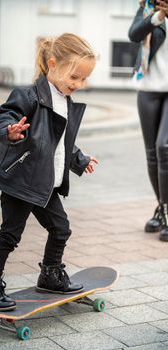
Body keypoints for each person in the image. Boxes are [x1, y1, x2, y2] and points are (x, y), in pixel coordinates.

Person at [0, 33, 98, 311]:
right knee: (10, 235)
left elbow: (61, 140)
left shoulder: (64, 100)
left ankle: (50, 275)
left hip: (45, 184)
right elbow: (4, 117)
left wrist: (79, 159)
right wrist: (10, 131)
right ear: (53, 65)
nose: (80, 84)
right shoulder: (28, 95)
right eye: (75, 77)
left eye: (84, 79)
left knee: (61, 229)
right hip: (20, 180)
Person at [128, 0, 168, 241]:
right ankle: (162, 209)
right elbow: (134, 34)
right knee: (152, 153)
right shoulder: (148, 10)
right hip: (148, 89)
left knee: (165, 147)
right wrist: (156, 16)